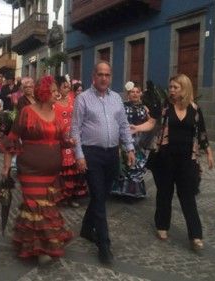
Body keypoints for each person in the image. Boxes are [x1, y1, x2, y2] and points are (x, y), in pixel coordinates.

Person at [132, 74, 214, 251]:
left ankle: (196, 235)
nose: (171, 90)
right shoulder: (166, 107)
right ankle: (162, 225)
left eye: (175, 87)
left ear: (184, 88)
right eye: (170, 87)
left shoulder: (194, 109)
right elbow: (152, 122)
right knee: (164, 193)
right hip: (166, 158)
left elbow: (202, 132)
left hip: (187, 160)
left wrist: (208, 152)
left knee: (188, 197)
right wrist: (137, 128)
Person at [0, 75, 72, 265]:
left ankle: (37, 245)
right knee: (35, 207)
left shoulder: (57, 113)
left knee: (46, 208)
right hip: (30, 170)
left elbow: (62, 139)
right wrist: (6, 167)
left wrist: (69, 142)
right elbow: (12, 138)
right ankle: (41, 250)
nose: (57, 94)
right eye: (54, 91)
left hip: (51, 173)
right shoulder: (26, 112)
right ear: (44, 92)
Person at [71, 61, 136, 264]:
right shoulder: (83, 99)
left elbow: (124, 125)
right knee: (99, 198)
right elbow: (75, 129)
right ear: (94, 76)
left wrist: (130, 148)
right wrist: (79, 155)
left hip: (112, 155)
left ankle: (85, 228)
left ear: (111, 77)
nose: (104, 78)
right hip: (92, 155)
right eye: (100, 74)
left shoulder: (116, 98)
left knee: (103, 194)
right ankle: (104, 244)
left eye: (107, 75)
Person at [111, 81, 149, 198]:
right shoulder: (122, 106)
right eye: (132, 92)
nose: (135, 94)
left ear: (141, 93)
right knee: (124, 164)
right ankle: (120, 190)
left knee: (136, 165)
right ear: (128, 93)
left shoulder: (145, 109)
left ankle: (133, 192)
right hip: (124, 140)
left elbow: (151, 124)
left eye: (137, 92)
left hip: (139, 142)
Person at [54, 75, 87, 207]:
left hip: (74, 137)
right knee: (63, 169)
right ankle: (61, 195)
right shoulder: (54, 103)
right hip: (61, 139)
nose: (68, 89)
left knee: (75, 168)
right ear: (58, 88)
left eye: (68, 86)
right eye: (64, 87)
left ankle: (72, 196)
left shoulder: (74, 100)